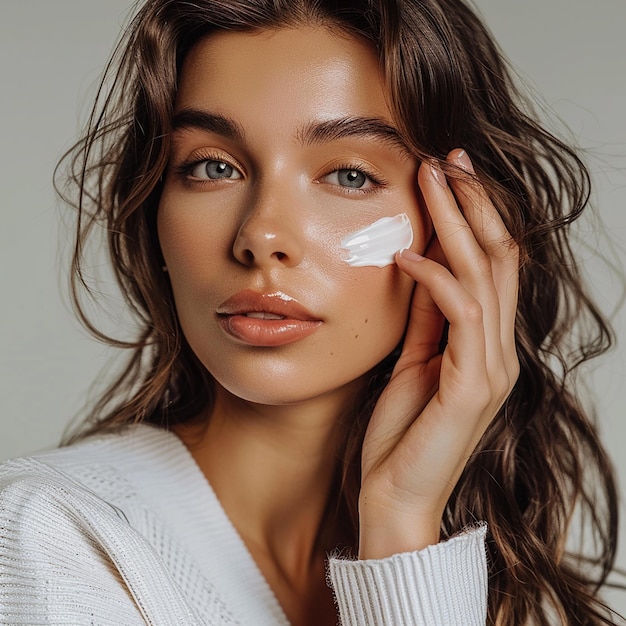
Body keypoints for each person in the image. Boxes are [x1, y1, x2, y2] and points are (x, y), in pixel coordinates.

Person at [0, 0, 622, 624]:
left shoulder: (519, 588)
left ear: (463, 225)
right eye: (213, 167)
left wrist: (402, 524)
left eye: (349, 176)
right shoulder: (51, 536)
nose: (261, 234)